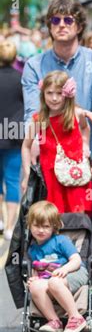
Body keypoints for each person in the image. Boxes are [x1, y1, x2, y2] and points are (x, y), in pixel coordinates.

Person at [21, 0, 92, 181]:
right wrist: (34, 146)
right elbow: (32, 111)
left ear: (79, 27)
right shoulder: (34, 65)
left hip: (86, 157)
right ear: (49, 26)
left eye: (68, 20)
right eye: (55, 20)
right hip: (46, 158)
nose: (61, 25)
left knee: (83, 211)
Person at [21, 72, 92, 216]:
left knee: (78, 215)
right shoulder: (39, 119)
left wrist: (85, 145)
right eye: (49, 93)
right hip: (51, 177)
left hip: (75, 174)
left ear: (67, 94)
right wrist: (27, 173)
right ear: (43, 94)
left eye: (59, 93)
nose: (54, 98)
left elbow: (85, 128)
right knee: (54, 216)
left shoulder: (77, 113)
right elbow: (26, 146)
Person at [26, 200, 89, 332]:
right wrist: (34, 278)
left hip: (74, 273)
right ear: (29, 225)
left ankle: (75, 317)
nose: (41, 230)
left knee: (54, 282)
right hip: (51, 280)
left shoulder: (60, 241)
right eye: (36, 226)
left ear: (54, 227)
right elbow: (37, 267)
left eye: (46, 226)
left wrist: (65, 269)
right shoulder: (32, 249)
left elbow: (76, 260)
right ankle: (54, 321)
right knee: (35, 286)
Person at [0, 41, 24, 240]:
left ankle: (0, 219)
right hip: (14, 134)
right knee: (12, 180)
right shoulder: (20, 79)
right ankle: (9, 227)